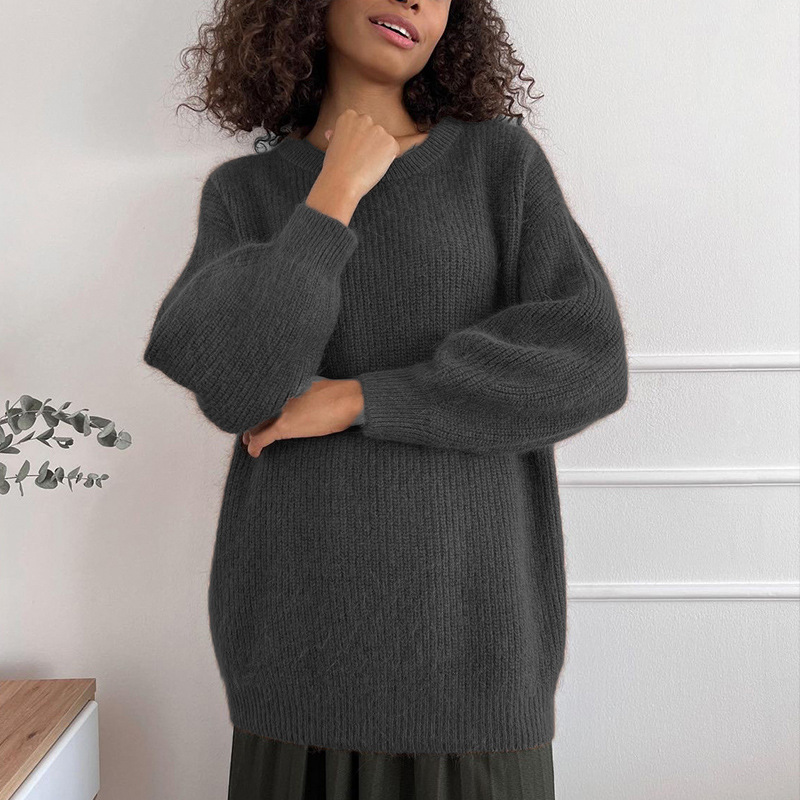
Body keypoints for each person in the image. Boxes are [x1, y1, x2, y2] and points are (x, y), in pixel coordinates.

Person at [142, 0, 630, 796]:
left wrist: (361, 399)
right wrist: (333, 195)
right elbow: (235, 385)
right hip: (296, 657)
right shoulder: (246, 192)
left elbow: (587, 361)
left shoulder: (500, 166)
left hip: (473, 659)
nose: (415, 2)